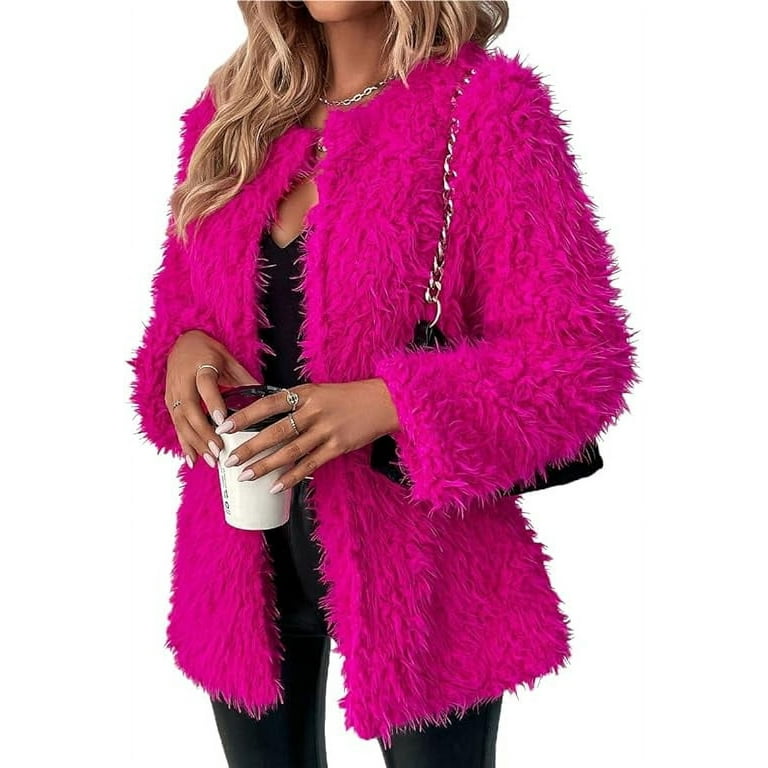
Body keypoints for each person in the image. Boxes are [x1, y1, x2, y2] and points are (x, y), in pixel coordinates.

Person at [127, 1, 639, 766]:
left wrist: (393, 402)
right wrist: (182, 351)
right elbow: (182, 308)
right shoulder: (232, 117)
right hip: (240, 556)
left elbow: (578, 356)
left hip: (425, 565)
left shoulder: (484, 108)